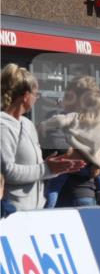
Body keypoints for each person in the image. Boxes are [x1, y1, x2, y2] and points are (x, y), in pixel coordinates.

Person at [1, 64, 84, 211]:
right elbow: (7, 172)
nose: (37, 98)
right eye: (35, 93)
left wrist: (56, 167)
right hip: (11, 213)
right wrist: (46, 168)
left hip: (35, 211)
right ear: (26, 96)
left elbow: (36, 168)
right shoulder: (3, 126)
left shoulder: (28, 124)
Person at [38, 88, 100, 208]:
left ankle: (49, 206)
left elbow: (59, 120)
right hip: (90, 166)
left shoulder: (75, 117)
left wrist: (45, 125)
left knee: (54, 185)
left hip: (69, 164)